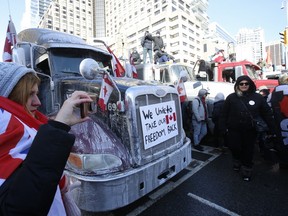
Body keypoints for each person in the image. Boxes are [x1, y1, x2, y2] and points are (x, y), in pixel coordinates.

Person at [0, 62, 92, 215]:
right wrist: (58, 126)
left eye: (36, 93)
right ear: (10, 98)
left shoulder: (32, 127)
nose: (38, 102)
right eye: (30, 95)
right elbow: (19, 208)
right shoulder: (7, 130)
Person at [219, 75, 276, 181]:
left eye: (246, 83)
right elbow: (223, 114)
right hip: (234, 130)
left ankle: (247, 170)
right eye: (241, 84)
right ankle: (237, 160)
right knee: (234, 147)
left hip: (250, 131)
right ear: (237, 85)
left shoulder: (257, 97)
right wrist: (222, 128)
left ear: (250, 85)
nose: (244, 85)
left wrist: (272, 129)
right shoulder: (231, 97)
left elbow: (267, 113)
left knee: (248, 151)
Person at [270, 74, 288, 169]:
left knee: (282, 141)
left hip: (280, 121)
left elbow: (269, 105)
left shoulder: (275, 90)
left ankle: (284, 162)